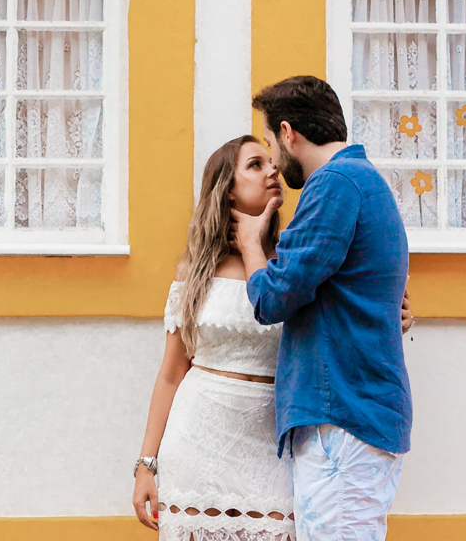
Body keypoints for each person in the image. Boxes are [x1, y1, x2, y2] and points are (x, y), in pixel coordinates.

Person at [132, 134, 413, 539]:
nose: (273, 170)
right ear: (226, 188)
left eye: (271, 160)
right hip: (198, 441)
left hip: (274, 446)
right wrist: (146, 463)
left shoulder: (299, 265)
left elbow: (352, 311)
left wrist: (391, 315)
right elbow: (171, 373)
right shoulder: (192, 273)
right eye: (255, 164)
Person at [232, 75, 413, 540]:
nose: (273, 159)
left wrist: (253, 245)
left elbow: (274, 297)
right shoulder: (362, 181)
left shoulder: (333, 183)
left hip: (343, 418)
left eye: (271, 144)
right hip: (356, 416)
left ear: (289, 132)